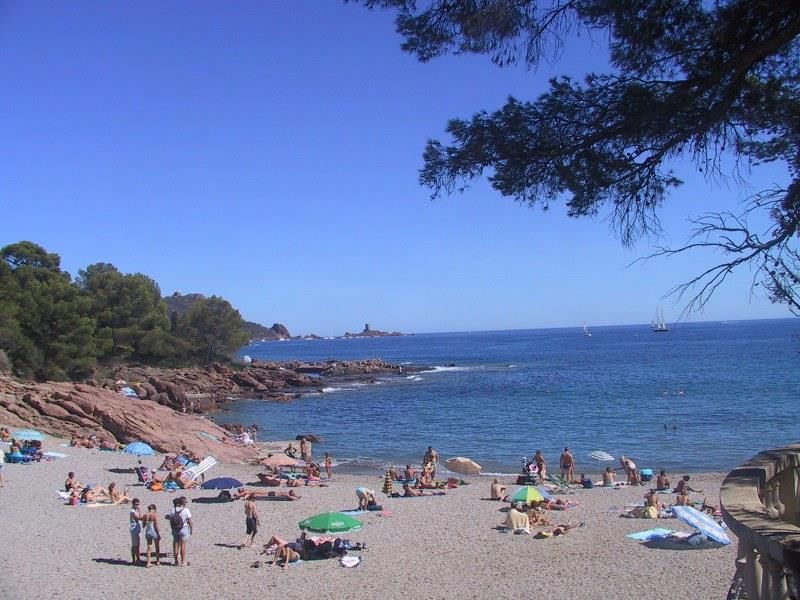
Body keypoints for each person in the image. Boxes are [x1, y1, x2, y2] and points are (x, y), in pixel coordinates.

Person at [167, 496, 192, 567]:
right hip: (183, 528)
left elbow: (171, 519)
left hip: (175, 529)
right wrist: (191, 529)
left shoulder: (173, 510)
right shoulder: (186, 510)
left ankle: (175, 561)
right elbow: (190, 521)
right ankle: (183, 562)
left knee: (175, 544)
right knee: (183, 546)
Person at [129, 498, 143, 565]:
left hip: (137, 528)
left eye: (138, 504)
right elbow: (139, 518)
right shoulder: (133, 511)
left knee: (138, 545)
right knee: (134, 545)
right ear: (133, 504)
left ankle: (138, 558)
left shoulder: (135, 510)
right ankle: (133, 559)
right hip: (134, 529)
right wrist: (140, 510)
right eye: (136, 504)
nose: (137, 505)